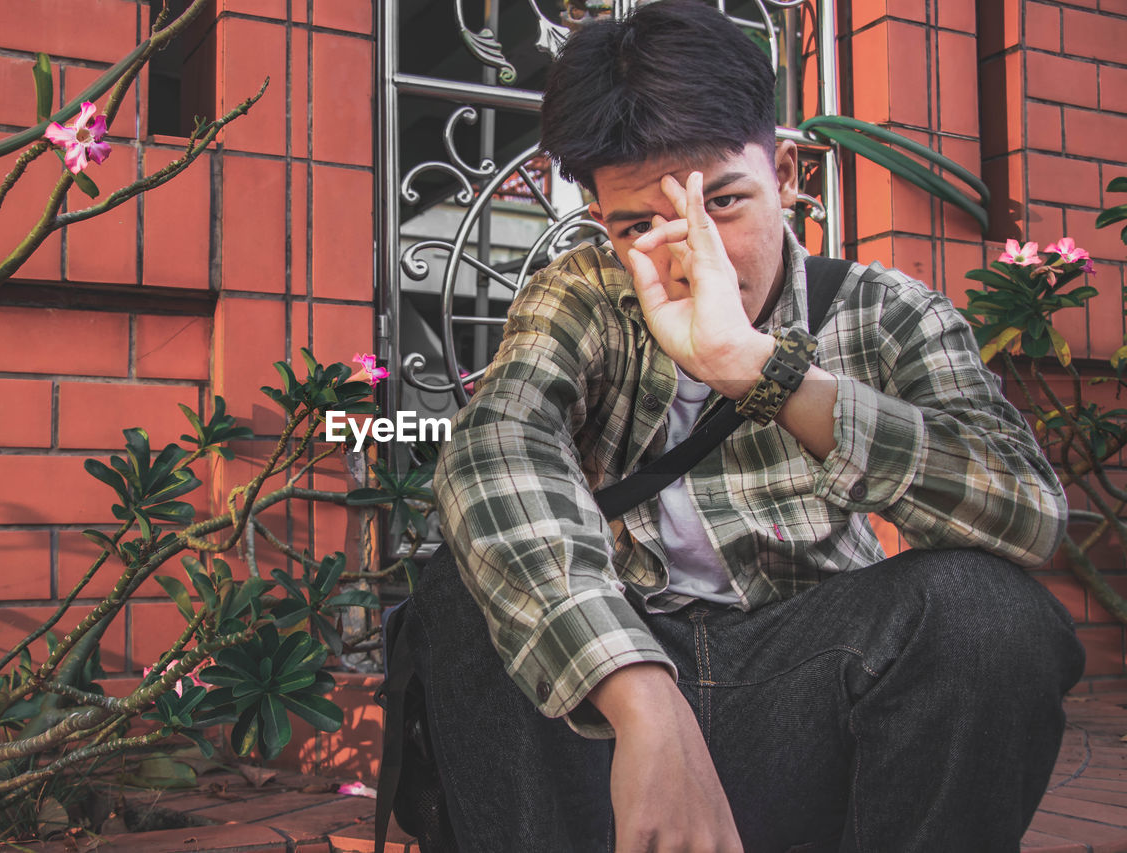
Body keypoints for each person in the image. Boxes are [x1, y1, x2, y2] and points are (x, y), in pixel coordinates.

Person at [411, 1, 1086, 850]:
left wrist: (763, 371)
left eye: (724, 202)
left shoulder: (887, 312)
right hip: (611, 710)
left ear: (791, 172)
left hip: (803, 691)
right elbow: (495, 453)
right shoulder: (582, 293)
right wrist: (639, 694)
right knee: (465, 589)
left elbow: (1028, 512)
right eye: (639, 226)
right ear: (601, 220)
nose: (697, 255)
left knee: (987, 611)